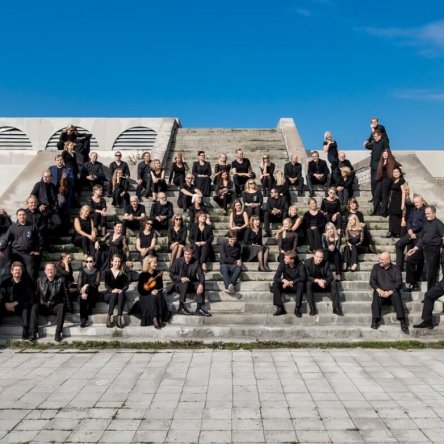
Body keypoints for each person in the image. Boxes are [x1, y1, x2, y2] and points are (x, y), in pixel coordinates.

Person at [405, 206, 444, 292]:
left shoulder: (439, 224)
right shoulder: (426, 223)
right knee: (410, 259)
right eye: (426, 214)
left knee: (431, 271)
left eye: (428, 213)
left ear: (434, 213)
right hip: (423, 247)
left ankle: (430, 292)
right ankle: (413, 283)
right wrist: (415, 248)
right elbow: (422, 238)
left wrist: (441, 247)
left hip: (433, 249)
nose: (427, 215)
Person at [30, 262, 71, 342]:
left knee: (62, 306)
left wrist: (69, 307)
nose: (50, 271)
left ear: (55, 270)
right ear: (45, 271)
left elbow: (67, 295)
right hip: (43, 306)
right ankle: (33, 333)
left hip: (55, 306)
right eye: (48, 269)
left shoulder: (61, 280)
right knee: (34, 306)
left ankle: (58, 333)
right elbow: (36, 295)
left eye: (52, 269)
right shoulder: (39, 280)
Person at [369, 252, 408, 333]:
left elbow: (399, 283)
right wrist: (378, 289)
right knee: (376, 294)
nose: (380, 261)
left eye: (382, 260)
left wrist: (390, 292)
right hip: (380, 292)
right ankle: (375, 319)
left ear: (388, 261)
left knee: (396, 294)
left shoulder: (396, 269)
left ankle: (402, 320)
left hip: (391, 293)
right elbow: (372, 281)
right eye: (379, 259)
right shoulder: (376, 267)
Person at [0, 208, 43, 281]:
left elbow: (39, 239)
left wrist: (38, 250)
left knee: (31, 274)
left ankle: (30, 288)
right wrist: (1, 249)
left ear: (26, 215)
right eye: (20, 215)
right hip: (16, 254)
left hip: (28, 254)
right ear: (17, 216)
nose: (22, 216)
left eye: (23, 215)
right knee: (16, 274)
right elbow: (5, 239)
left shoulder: (32, 226)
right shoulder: (12, 227)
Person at [170, 247, 210, 316]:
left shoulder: (196, 262)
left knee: (200, 284)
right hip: (179, 285)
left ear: (192, 255)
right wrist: (180, 278)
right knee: (184, 282)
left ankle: (199, 309)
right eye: (185, 254)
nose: (187, 256)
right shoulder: (178, 261)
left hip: (191, 284)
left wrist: (201, 284)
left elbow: (201, 275)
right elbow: (172, 274)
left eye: (189, 254)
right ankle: (181, 307)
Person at [0, 262, 34, 339]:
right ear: (11, 271)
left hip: (19, 307)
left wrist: (15, 303)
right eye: (15, 270)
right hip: (6, 307)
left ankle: (25, 330)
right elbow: (1, 295)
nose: (17, 271)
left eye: (19, 270)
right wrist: (5, 304)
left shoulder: (26, 282)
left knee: (26, 305)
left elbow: (28, 296)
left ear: (22, 271)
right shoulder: (5, 282)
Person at [137, 256, 172, 328]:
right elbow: (140, 290)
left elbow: (160, 287)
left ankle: (159, 317)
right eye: (154, 263)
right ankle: (154, 318)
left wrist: (156, 290)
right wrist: (150, 292)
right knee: (152, 297)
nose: (156, 264)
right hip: (145, 295)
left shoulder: (158, 273)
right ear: (148, 263)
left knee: (159, 295)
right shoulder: (142, 275)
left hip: (156, 293)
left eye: (156, 262)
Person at [305, 249, 342, 316]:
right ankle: (312, 309)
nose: (319, 259)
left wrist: (324, 281)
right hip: (314, 284)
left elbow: (330, 277)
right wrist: (318, 281)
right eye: (317, 257)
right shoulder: (307, 262)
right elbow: (307, 276)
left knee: (333, 283)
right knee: (308, 283)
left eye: (321, 257)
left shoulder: (326, 262)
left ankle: (336, 308)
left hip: (323, 284)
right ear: (313, 256)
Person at [395, 195, 426, 272]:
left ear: (422, 202)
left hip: (419, 235)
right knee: (398, 244)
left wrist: (413, 230)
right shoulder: (413, 210)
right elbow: (409, 220)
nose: (415, 204)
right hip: (410, 233)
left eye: (417, 202)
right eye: (414, 202)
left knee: (418, 253)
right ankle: (399, 267)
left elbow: (423, 224)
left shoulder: (425, 211)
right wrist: (409, 229)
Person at [272, 251, 306, 317]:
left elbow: (303, 277)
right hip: (285, 286)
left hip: (295, 286)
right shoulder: (282, 264)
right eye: (284, 258)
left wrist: (292, 282)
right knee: (275, 284)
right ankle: (279, 308)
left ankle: (297, 308)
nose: (284, 260)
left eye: (286, 259)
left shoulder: (300, 265)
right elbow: (276, 277)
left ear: (292, 260)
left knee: (301, 284)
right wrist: (283, 280)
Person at [373, 149, 400, 217]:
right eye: (384, 154)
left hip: (387, 180)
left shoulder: (392, 162)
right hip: (381, 180)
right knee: (376, 194)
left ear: (388, 155)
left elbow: (398, 169)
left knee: (384, 195)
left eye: (386, 154)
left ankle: (383, 211)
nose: (385, 155)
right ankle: (377, 210)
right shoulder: (381, 162)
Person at [104, 255, 129, 328]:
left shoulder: (122, 273)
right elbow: (106, 285)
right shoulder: (107, 272)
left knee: (121, 294)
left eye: (119, 261)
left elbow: (126, 285)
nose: (117, 263)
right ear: (111, 262)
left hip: (120, 295)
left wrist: (122, 290)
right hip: (109, 294)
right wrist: (112, 290)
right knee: (114, 294)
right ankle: (109, 317)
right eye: (115, 261)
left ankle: (119, 318)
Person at [77, 256, 100, 328]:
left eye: (90, 261)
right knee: (82, 298)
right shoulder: (82, 271)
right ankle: (83, 319)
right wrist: (82, 292)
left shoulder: (97, 271)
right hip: (83, 293)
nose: (88, 263)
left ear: (94, 263)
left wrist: (87, 285)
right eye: (87, 261)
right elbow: (79, 285)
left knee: (88, 289)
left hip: (93, 293)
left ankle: (85, 317)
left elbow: (96, 284)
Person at [366, 131, 389, 199]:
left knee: (378, 181)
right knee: (373, 182)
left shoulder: (383, 141)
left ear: (380, 136)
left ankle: (379, 197)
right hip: (373, 165)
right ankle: (374, 197)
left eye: (376, 136)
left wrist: (385, 157)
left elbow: (387, 149)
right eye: (374, 137)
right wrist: (366, 144)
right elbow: (368, 146)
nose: (374, 138)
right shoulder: (374, 143)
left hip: (379, 165)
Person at [387, 168, 405, 238]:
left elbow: (403, 192)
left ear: (400, 173)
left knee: (396, 216)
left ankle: (397, 232)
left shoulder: (401, 181)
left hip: (398, 201)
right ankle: (391, 231)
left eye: (397, 172)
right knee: (391, 216)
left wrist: (402, 203)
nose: (395, 173)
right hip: (393, 201)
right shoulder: (393, 181)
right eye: (394, 172)